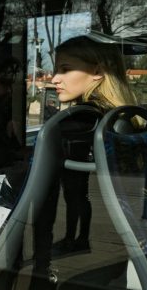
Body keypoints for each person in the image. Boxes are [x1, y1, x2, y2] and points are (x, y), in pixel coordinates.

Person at [42, 35, 136, 273]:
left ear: (97, 71)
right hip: (124, 231)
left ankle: (75, 240)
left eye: (65, 69)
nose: (55, 79)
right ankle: (78, 239)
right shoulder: (117, 113)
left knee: (76, 200)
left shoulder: (85, 117)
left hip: (80, 182)